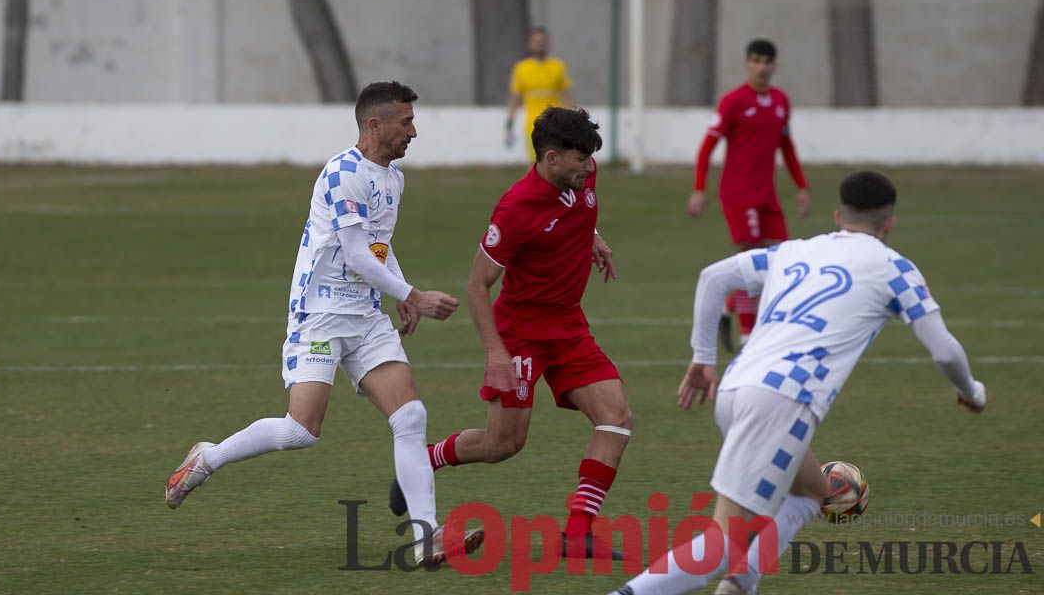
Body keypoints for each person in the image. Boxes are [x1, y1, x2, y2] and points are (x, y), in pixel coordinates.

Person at [610, 171, 987, 595]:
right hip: (782, 400)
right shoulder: (895, 269)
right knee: (719, 542)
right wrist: (971, 391)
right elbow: (945, 351)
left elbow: (713, 277)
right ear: (889, 223)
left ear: (837, 215)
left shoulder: (793, 250)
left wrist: (703, 356)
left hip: (736, 388)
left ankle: (741, 581)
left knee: (811, 491)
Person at [164, 81, 484, 568]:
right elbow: (355, 252)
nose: (414, 132)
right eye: (406, 122)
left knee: (410, 417)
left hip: (366, 317)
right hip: (320, 315)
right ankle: (207, 458)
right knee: (301, 430)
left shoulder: (393, 178)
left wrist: (399, 289)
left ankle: (426, 537)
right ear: (375, 125)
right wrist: (413, 294)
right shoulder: (342, 174)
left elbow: (377, 244)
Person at [390, 106, 631, 561]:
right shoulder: (517, 208)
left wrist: (592, 237)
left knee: (615, 418)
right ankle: (423, 460)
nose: (589, 167)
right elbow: (478, 284)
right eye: (579, 159)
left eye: (589, 159)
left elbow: (577, 209)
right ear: (551, 158)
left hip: (569, 326)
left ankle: (577, 534)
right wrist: (496, 353)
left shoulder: (583, 173)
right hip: (520, 332)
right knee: (504, 445)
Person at [687, 38, 810, 353]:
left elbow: (787, 147)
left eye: (767, 61)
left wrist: (801, 186)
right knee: (750, 263)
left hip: (768, 196)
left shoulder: (781, 101)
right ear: (747, 64)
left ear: (774, 65)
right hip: (739, 195)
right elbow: (707, 147)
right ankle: (747, 339)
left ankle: (729, 307)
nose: (761, 67)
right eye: (755, 60)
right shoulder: (733, 102)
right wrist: (699, 189)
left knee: (781, 262)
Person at [505, 27, 575, 160]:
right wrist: (509, 126)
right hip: (533, 126)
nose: (539, 44)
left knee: (557, 166)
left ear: (548, 43)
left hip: (556, 126)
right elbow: (514, 99)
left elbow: (567, 96)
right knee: (537, 166)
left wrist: (573, 122)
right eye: (536, 41)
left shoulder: (558, 66)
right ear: (529, 44)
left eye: (542, 41)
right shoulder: (521, 68)